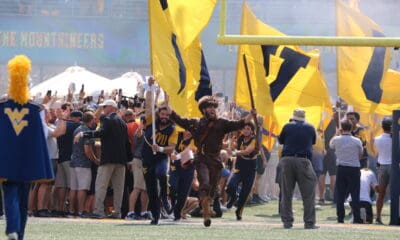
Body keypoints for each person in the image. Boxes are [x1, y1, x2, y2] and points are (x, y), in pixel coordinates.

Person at [169, 94, 255, 227]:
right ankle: (206, 212)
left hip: (215, 161)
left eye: (214, 107)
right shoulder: (196, 123)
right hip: (202, 159)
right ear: (203, 109)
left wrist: (250, 115)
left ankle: (206, 209)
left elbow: (239, 124)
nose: (212, 109)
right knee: (205, 183)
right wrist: (168, 109)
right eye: (209, 107)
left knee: (213, 190)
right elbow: (179, 120)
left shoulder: (222, 123)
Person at [0, 55, 54, 240]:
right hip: (28, 160)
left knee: (11, 194)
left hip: (6, 160)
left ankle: (13, 230)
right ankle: (18, 233)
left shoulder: (2, 106)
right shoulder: (35, 109)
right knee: (23, 200)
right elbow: (43, 136)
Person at [74, 99, 132, 219]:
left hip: (108, 159)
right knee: (118, 188)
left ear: (111, 107)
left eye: (105, 106)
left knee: (101, 185)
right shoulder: (122, 122)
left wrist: (84, 134)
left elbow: (101, 132)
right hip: (121, 161)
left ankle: (99, 211)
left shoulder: (106, 119)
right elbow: (127, 143)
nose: (103, 109)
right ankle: (117, 212)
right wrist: (128, 160)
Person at [141, 77, 177, 224]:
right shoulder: (152, 121)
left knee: (161, 173)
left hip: (161, 157)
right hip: (147, 158)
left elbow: (171, 149)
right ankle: (155, 215)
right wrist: (149, 88)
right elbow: (149, 105)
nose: (164, 117)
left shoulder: (172, 129)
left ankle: (165, 196)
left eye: (167, 115)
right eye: (162, 114)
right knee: (150, 189)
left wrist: (160, 148)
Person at [278, 109, 318, 229]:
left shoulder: (287, 126)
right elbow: (313, 142)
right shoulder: (310, 127)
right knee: (309, 193)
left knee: (286, 193)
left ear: (293, 117)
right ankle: (309, 222)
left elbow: (281, 141)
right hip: (304, 160)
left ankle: (287, 222)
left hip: (287, 159)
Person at [330, 119, 363, 224]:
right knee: (355, 194)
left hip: (341, 168)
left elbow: (331, 146)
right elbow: (361, 155)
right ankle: (357, 217)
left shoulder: (336, 139)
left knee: (340, 194)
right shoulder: (357, 141)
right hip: (354, 168)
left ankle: (340, 218)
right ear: (352, 128)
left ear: (341, 128)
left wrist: (337, 133)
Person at [226, 122, 258, 220]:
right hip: (239, 167)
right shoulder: (239, 137)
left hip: (250, 169)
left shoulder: (255, 140)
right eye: (244, 128)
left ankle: (239, 211)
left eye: (248, 129)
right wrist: (230, 144)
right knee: (230, 186)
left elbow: (248, 151)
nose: (245, 130)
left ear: (252, 131)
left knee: (245, 193)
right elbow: (232, 143)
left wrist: (235, 152)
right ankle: (234, 196)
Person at [70, 111, 99, 217]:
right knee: (82, 188)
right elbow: (87, 150)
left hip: (74, 162)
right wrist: (95, 160)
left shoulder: (77, 129)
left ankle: (72, 210)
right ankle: (81, 211)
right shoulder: (87, 131)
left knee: (74, 188)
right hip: (83, 163)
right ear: (91, 120)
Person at [169, 130, 196, 221]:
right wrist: (172, 153)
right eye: (187, 129)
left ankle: (177, 214)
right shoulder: (176, 134)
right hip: (175, 167)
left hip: (188, 167)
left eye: (190, 130)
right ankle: (172, 207)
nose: (189, 132)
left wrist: (177, 156)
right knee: (172, 187)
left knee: (183, 194)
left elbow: (188, 150)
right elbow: (171, 145)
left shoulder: (195, 138)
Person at [373, 117, 392, 225]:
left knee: (381, 194)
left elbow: (376, 154)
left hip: (382, 166)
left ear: (382, 127)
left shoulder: (377, 139)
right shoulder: (396, 137)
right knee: (396, 193)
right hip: (394, 166)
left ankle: (378, 218)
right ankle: (395, 216)